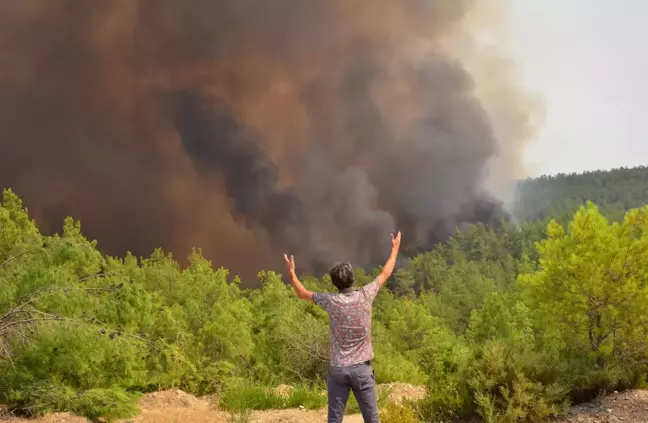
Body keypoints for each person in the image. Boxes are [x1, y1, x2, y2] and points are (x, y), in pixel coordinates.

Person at [283, 231, 402, 423]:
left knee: (334, 420)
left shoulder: (332, 301)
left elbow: (302, 293)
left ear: (334, 283)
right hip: (362, 370)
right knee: (372, 419)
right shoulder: (365, 295)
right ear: (353, 279)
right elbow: (386, 273)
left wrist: (291, 272)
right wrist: (395, 248)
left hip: (338, 369)